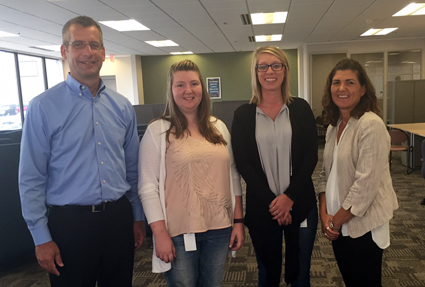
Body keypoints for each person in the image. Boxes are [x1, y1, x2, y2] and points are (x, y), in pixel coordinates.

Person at [19, 15, 145, 287]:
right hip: (69, 225)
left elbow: (133, 169)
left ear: (103, 52)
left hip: (117, 218)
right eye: (78, 45)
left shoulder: (122, 107)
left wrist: (137, 216)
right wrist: (41, 237)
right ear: (64, 51)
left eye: (94, 45)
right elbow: (31, 179)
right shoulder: (43, 107)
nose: (87, 52)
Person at [138, 59, 244, 287]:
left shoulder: (219, 127)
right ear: (171, 90)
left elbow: (232, 175)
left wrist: (238, 221)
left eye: (194, 83)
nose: (188, 90)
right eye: (180, 85)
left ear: (202, 89)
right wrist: (159, 234)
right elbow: (147, 186)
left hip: (219, 228)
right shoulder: (158, 130)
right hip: (177, 232)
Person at [231, 46, 318, 287]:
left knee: (300, 273)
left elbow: (311, 156)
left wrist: (289, 197)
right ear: (255, 72)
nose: (270, 71)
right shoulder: (243, 115)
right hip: (262, 207)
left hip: (301, 202)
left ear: (285, 70)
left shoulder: (300, 108)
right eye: (263, 66)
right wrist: (274, 202)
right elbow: (244, 163)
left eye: (276, 65)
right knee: (267, 272)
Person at [318, 58, 398, 287]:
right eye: (336, 82)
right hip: (337, 223)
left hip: (363, 225)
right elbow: (325, 175)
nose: (342, 88)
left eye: (350, 82)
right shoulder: (334, 127)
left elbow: (365, 188)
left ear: (363, 89)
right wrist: (324, 215)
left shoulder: (370, 125)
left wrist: (333, 223)